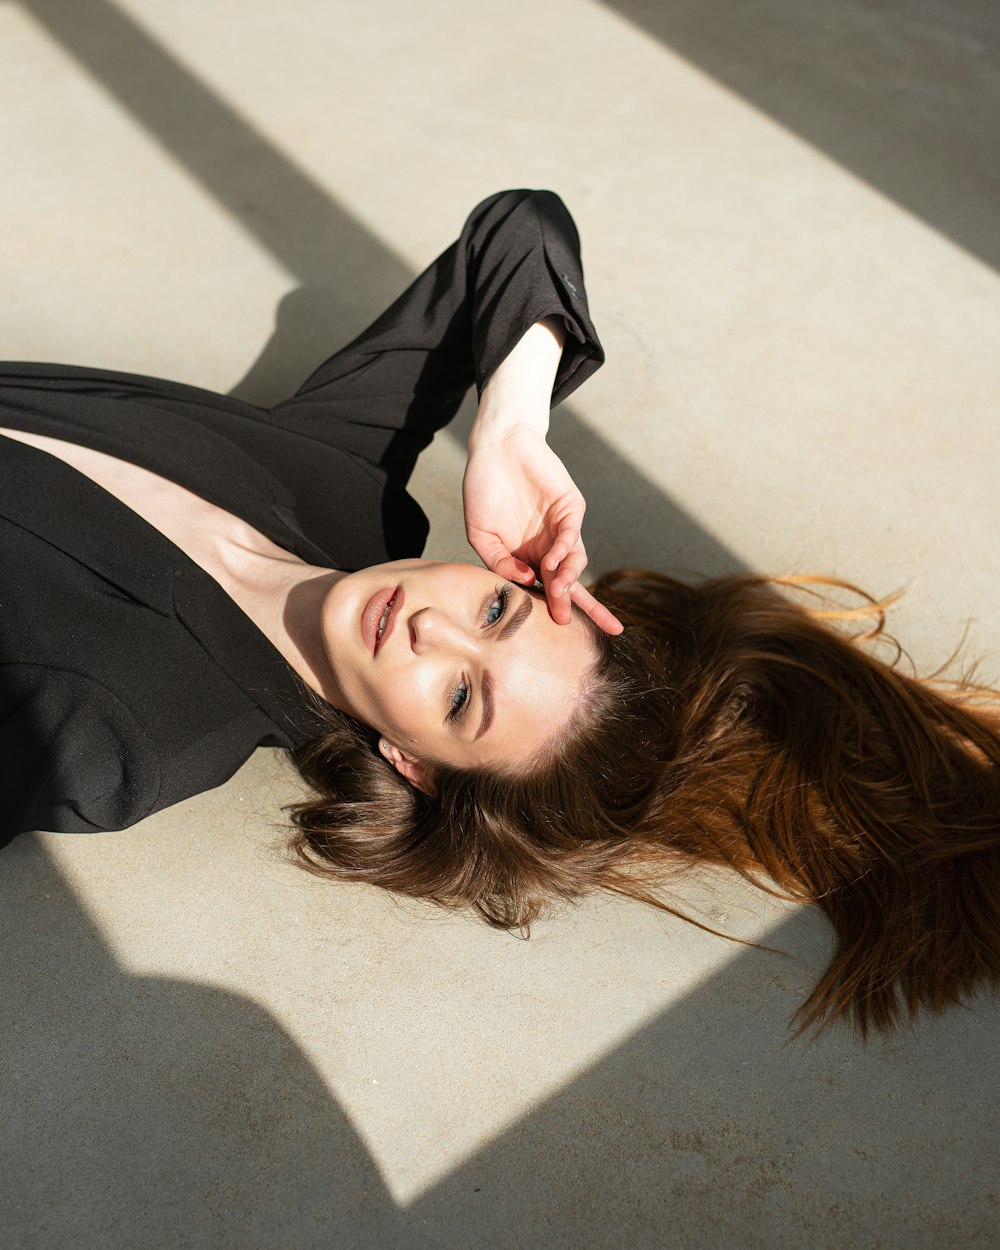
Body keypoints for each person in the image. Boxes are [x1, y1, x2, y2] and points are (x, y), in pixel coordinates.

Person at [2, 191, 999, 1038]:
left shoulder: (113, 733)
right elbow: (516, 229)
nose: (433, 628)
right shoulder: (346, 491)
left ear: (414, 761)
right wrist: (513, 423)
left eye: (461, 695)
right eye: (495, 609)